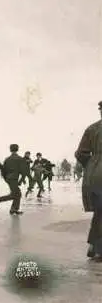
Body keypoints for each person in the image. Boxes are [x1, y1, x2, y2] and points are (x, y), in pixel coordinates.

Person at [75, 101, 102, 259]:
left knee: (99, 210)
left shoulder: (92, 128)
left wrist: (92, 165)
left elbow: (80, 153)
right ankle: (98, 249)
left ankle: (93, 246)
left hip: (94, 175)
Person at [0, 144, 29, 215]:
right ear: (17, 149)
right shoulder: (20, 159)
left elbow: (3, 170)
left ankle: (13, 209)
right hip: (14, 179)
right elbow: (24, 172)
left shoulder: (7, 159)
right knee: (15, 194)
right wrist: (21, 181)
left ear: (10, 150)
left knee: (17, 193)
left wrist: (6, 179)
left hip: (9, 179)